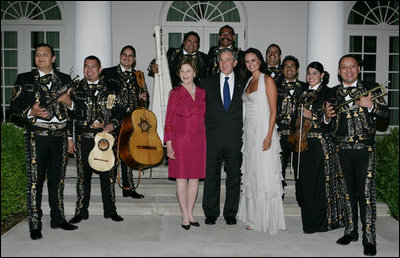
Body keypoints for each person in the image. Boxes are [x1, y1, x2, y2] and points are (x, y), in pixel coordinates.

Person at [9, 43, 78, 240]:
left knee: (58, 180)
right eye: (38, 54)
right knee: (35, 181)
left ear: (53, 58)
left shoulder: (65, 80)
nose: (40, 57)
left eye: (45, 54)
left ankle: (57, 219)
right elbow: (13, 108)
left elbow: (77, 111)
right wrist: (31, 111)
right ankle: (35, 223)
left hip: (60, 138)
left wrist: (69, 102)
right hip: (36, 136)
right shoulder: (25, 79)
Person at [324, 55, 389, 256]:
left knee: (366, 195)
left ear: (358, 69)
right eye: (344, 67)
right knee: (346, 193)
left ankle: (369, 238)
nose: (349, 70)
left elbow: (386, 115)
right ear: (338, 70)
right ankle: (350, 230)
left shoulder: (372, 88)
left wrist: (370, 106)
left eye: (352, 66)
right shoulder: (332, 93)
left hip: (365, 151)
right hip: (341, 151)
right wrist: (327, 116)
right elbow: (327, 123)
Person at [291, 61, 353, 234]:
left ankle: (319, 224)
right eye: (309, 73)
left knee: (319, 185)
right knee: (305, 185)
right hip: (302, 144)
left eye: (314, 74)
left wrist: (314, 115)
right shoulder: (302, 93)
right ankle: (309, 221)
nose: (310, 77)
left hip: (320, 145)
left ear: (322, 75)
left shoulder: (329, 92)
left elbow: (332, 118)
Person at [67, 55, 126, 224]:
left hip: (105, 140)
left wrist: (112, 125)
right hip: (83, 139)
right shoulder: (76, 90)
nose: (89, 70)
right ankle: (81, 211)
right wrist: (70, 139)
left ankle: (110, 210)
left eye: (93, 66)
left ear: (100, 70)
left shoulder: (111, 89)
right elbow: (68, 116)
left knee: (107, 176)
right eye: (86, 66)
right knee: (82, 177)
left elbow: (121, 110)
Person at [237, 48, 286, 233]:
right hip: (249, 133)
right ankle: (252, 216)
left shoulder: (268, 80)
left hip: (263, 133)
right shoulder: (249, 80)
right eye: (247, 61)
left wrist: (268, 137)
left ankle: (263, 218)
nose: (250, 64)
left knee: (263, 174)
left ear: (260, 61)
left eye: (253, 60)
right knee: (251, 173)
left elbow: (274, 111)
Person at [200, 48, 244, 226]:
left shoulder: (244, 83)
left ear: (235, 62)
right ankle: (211, 212)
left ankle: (231, 212)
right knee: (211, 174)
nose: (224, 63)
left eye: (228, 60)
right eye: (222, 60)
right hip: (212, 136)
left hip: (235, 136)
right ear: (218, 63)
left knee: (234, 175)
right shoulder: (206, 82)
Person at [164, 57, 206, 230]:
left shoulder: (203, 93)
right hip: (180, 141)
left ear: (194, 73)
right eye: (182, 71)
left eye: (188, 71)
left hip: (199, 140)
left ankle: (190, 212)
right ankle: (184, 215)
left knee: (195, 178)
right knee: (181, 178)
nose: (185, 74)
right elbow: (169, 120)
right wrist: (169, 144)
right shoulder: (175, 93)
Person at [102, 45, 149, 199]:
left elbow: (145, 101)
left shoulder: (139, 76)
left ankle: (128, 188)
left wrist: (144, 99)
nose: (127, 58)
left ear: (134, 59)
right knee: (111, 153)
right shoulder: (108, 73)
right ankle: (109, 189)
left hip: (132, 121)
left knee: (128, 153)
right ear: (120, 56)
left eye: (130, 56)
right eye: (124, 55)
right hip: (113, 120)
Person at [276, 55, 307, 199]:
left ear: (297, 69)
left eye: (292, 66)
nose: (289, 68)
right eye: (286, 66)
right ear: (282, 69)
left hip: (299, 133)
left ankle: (301, 195)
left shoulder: (306, 88)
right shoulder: (274, 86)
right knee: (278, 166)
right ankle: (278, 194)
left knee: (300, 165)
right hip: (280, 132)